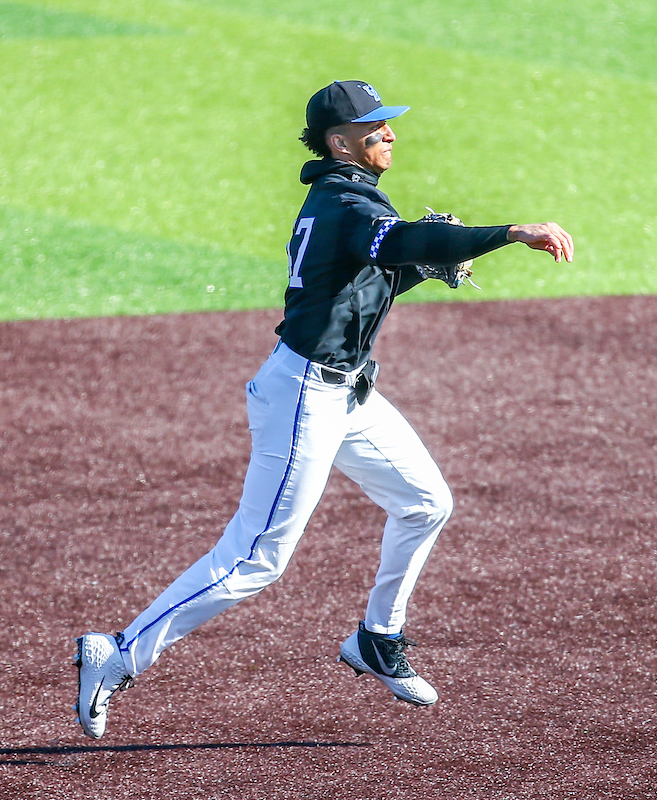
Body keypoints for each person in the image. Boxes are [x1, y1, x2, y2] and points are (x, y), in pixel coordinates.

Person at [74, 79, 574, 739]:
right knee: (257, 557)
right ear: (340, 142)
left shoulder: (347, 197)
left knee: (425, 502)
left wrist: (421, 266)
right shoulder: (345, 202)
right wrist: (509, 233)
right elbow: (397, 243)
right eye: (374, 127)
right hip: (304, 395)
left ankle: (377, 638)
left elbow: (367, 276)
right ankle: (118, 653)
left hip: (347, 394)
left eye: (387, 122)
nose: (389, 133)